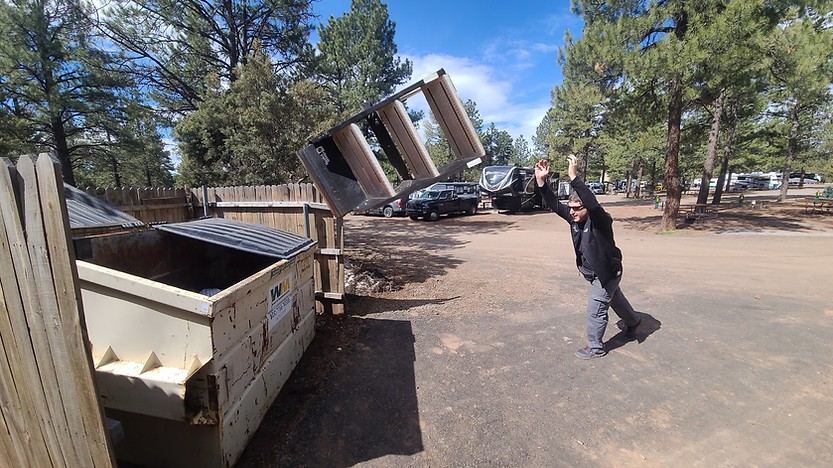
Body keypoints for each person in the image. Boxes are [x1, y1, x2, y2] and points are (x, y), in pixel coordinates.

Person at [534, 155, 641, 359]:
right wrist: (541, 181)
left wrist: (574, 177)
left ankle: (595, 347)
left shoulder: (600, 220)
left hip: (606, 273)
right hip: (595, 274)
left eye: (577, 208)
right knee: (616, 300)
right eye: (571, 208)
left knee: (596, 309)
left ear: (586, 209)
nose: (572, 212)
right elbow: (553, 203)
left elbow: (592, 204)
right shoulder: (574, 219)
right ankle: (634, 322)